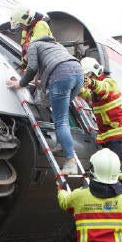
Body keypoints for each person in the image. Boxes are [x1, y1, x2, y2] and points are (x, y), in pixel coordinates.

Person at [7, 34, 83, 175]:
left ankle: (70, 162)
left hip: (61, 75)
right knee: (61, 114)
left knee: (61, 121)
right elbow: (57, 65)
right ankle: (62, 145)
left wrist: (20, 83)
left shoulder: (32, 46)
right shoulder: (55, 45)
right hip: (78, 74)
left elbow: (32, 68)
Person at [79, 57, 122, 185]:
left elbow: (102, 88)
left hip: (117, 131)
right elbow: (88, 95)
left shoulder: (109, 83)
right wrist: (77, 88)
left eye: (89, 76)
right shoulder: (95, 92)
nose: (88, 79)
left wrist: (92, 83)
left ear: (95, 72)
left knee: (115, 163)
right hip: (111, 133)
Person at [9, 6, 53, 71]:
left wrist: (26, 72)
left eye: (20, 24)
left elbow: (34, 51)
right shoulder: (28, 31)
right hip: (37, 69)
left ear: (26, 20)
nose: (21, 27)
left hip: (47, 67)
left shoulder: (40, 25)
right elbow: (24, 49)